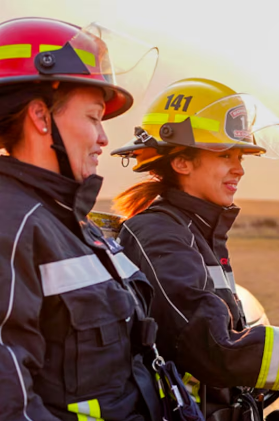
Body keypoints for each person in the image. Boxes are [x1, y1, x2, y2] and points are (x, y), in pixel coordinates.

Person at [110, 78, 279, 420]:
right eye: (225, 155)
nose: (240, 168)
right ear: (181, 162)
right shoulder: (158, 233)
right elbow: (215, 347)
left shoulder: (196, 231)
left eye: (241, 155)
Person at [0, 17, 162, 420]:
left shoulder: (74, 223)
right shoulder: (11, 225)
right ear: (41, 117)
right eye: (93, 117)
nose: (105, 138)